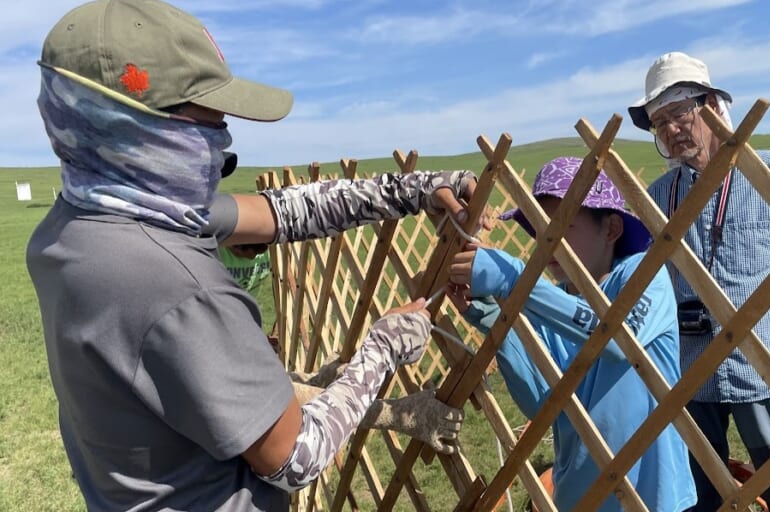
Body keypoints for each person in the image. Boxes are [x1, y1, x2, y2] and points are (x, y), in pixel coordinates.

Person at [28, 1, 471, 510]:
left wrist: (415, 190)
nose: (222, 147)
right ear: (134, 131)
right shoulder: (174, 285)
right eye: (206, 127)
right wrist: (383, 348)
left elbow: (284, 212)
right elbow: (297, 457)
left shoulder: (81, 224)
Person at [446, 156, 697, 511]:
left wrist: (520, 280)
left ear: (610, 229)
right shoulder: (561, 301)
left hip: (651, 496)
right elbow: (542, 398)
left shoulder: (644, 276)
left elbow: (617, 341)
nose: (545, 241)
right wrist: (496, 322)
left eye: (560, 226)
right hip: (581, 496)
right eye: (537, 229)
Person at [627, 52, 770, 511]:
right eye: (658, 122)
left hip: (761, 367)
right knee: (700, 486)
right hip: (690, 370)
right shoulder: (660, 196)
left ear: (711, 106)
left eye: (678, 114)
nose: (669, 130)